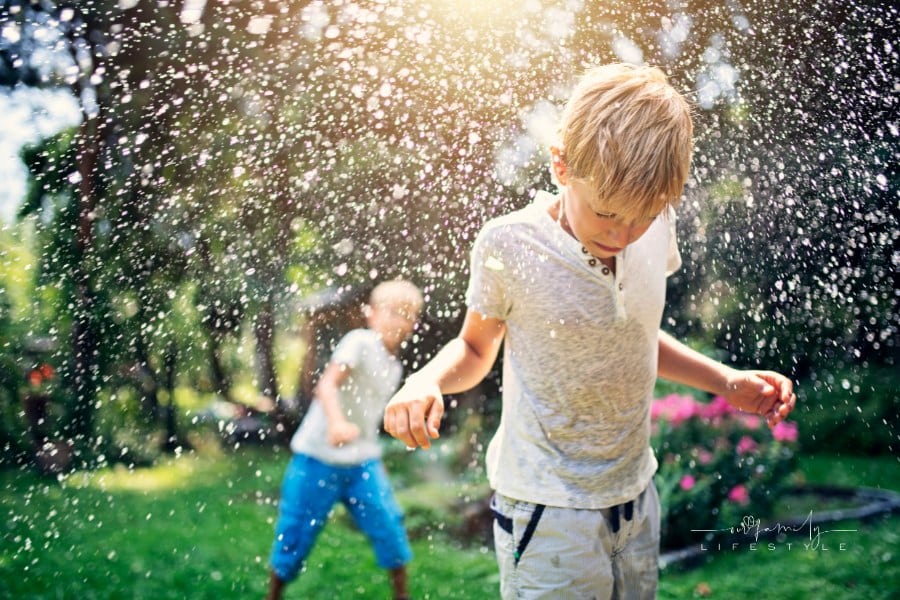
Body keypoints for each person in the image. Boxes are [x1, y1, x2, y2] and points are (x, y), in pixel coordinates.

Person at [383, 64, 797, 599]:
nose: (622, 234)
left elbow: (634, 333)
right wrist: (425, 380)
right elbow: (473, 347)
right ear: (561, 165)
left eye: (643, 215)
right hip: (547, 506)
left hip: (634, 491)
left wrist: (726, 382)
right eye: (605, 212)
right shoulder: (510, 246)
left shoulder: (656, 225)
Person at [267, 280, 423, 600]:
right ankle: (273, 595)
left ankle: (402, 595)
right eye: (392, 312)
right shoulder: (360, 342)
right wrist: (336, 423)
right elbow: (326, 385)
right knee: (294, 535)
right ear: (372, 314)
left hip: (362, 462)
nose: (398, 320)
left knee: (390, 528)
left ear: (414, 323)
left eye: (406, 314)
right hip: (317, 458)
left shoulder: (394, 367)